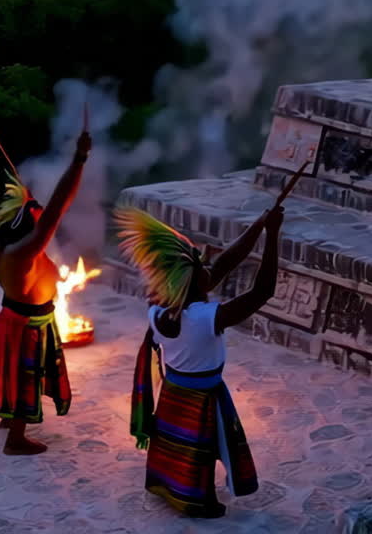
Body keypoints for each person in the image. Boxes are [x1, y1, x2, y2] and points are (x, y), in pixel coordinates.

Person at [121, 203, 284, 518]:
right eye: (202, 271)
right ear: (194, 283)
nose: (210, 271)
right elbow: (263, 291)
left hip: (174, 391)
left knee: (172, 442)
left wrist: (260, 224)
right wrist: (273, 236)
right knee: (202, 449)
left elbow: (225, 263)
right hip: (202, 396)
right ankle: (198, 501)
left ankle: (166, 484)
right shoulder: (205, 317)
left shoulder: (157, 310)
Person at [0, 129, 91, 455]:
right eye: (34, 211)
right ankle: (15, 439)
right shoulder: (23, 252)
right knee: (24, 377)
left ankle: (8, 418)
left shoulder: (0, 245)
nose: (39, 211)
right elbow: (59, 207)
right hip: (27, 326)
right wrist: (79, 159)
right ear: (26, 225)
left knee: (14, 373)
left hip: (14, 317)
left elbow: (45, 215)